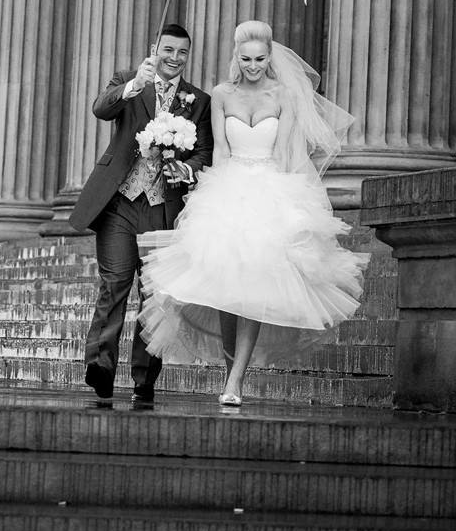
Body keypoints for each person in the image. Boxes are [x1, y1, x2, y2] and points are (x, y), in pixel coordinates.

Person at [139, 20, 368, 406]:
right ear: (236, 57)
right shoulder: (221, 94)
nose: (253, 66)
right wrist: (211, 192)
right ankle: (231, 370)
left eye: (260, 58)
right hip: (228, 185)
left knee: (257, 287)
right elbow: (222, 151)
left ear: (270, 57)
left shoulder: (284, 96)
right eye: (246, 59)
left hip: (269, 185)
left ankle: (236, 380)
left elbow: (283, 154)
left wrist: (284, 201)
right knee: (227, 287)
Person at [69, 24, 213, 405]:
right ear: (156, 48)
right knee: (113, 285)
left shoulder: (198, 100)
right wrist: (134, 84)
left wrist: (185, 170)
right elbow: (102, 108)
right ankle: (100, 367)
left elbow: (204, 152)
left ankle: (144, 378)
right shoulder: (129, 80)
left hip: (161, 206)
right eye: (168, 49)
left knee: (154, 296)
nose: (174, 58)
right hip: (119, 202)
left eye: (182, 52)